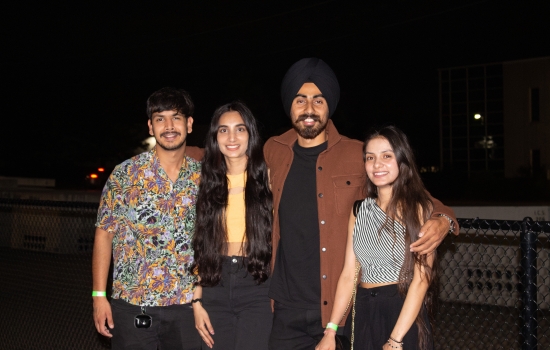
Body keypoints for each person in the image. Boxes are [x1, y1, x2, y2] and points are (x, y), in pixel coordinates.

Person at [264, 58, 458, 350]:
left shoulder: (359, 153)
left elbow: (414, 192)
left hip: (339, 310)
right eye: (300, 99)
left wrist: (444, 219)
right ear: (288, 104)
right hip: (285, 306)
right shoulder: (273, 150)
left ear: (329, 106)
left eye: (318, 100)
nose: (309, 109)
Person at [92, 87, 201, 350]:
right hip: (133, 309)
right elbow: (104, 235)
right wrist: (98, 296)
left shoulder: (205, 178)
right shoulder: (125, 175)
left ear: (189, 124)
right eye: (160, 118)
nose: (169, 126)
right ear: (150, 127)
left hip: (188, 309)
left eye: (176, 117)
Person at [316, 126, 438, 350]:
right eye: (370, 157)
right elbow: (348, 274)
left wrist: (395, 339)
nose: (377, 164)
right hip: (363, 311)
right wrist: (331, 330)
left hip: (401, 311)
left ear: (402, 161)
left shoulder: (418, 209)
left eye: (387, 156)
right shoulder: (359, 210)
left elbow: (421, 280)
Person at [191, 101, 273, 349]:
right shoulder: (204, 181)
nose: (232, 137)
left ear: (251, 133)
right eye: (223, 130)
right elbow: (199, 244)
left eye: (240, 129)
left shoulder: (269, 177)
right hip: (214, 281)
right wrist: (196, 302)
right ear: (215, 137)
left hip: (257, 281)